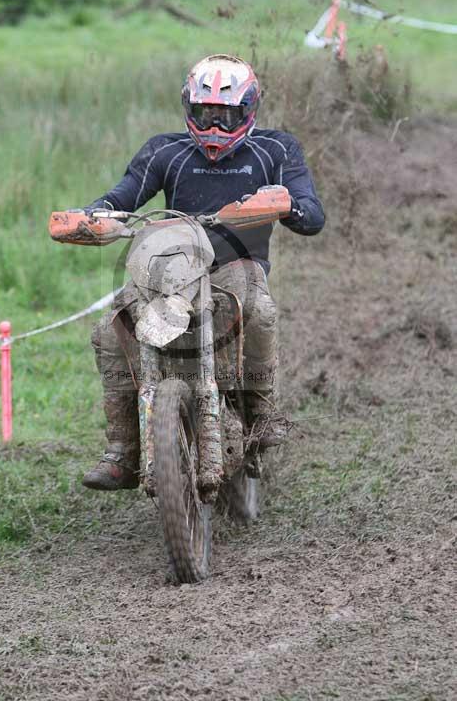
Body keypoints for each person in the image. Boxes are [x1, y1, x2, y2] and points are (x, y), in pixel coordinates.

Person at [81, 54, 325, 491]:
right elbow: (122, 197)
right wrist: (91, 216)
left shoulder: (276, 149)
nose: (214, 127)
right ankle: (121, 450)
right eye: (204, 114)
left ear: (249, 110)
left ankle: (259, 412)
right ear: (187, 109)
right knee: (109, 328)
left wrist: (287, 203)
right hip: (171, 268)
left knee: (260, 311)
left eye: (226, 116)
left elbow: (311, 214)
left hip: (236, 266)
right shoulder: (165, 150)